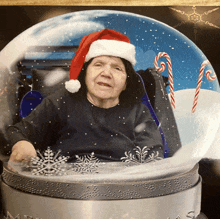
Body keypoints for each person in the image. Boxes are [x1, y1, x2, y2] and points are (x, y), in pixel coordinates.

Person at [6, 29, 164, 163]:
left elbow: (153, 156)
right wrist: (21, 143)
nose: (106, 73)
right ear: (85, 75)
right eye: (98, 64)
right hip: (65, 187)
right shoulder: (61, 101)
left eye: (117, 68)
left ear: (126, 83)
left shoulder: (137, 111)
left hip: (120, 187)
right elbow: (17, 131)